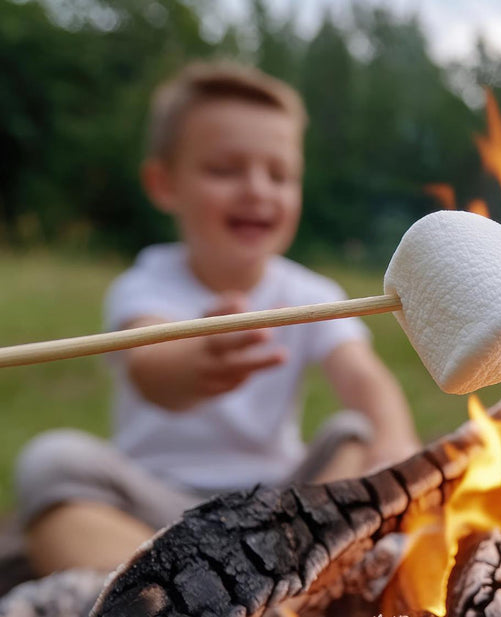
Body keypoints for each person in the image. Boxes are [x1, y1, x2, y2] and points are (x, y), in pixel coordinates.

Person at [14, 62, 421, 575]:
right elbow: (150, 368)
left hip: (278, 510)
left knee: (354, 433)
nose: (257, 189)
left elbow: (363, 376)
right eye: (225, 170)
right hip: (152, 508)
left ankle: (296, 579)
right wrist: (195, 362)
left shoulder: (312, 293)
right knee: (50, 462)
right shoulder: (145, 283)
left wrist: (393, 443)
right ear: (164, 184)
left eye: (279, 174)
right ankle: (147, 589)